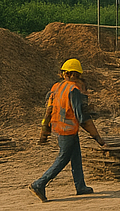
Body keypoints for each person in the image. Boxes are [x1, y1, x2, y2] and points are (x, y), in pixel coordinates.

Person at [29, 58, 106, 201]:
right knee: (63, 158)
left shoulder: (57, 86)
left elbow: (49, 109)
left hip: (59, 127)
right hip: (67, 130)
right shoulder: (74, 90)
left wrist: (45, 129)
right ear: (75, 74)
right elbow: (82, 117)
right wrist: (97, 137)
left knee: (76, 156)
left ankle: (81, 186)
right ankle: (39, 183)